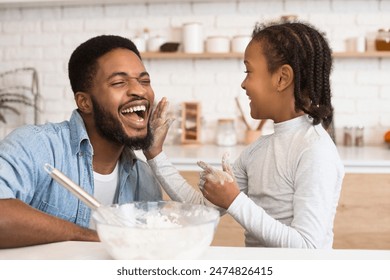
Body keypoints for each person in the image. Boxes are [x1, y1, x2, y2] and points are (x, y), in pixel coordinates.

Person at [145, 20, 345, 248]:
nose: (243, 84)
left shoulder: (315, 150)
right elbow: (198, 208)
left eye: (248, 71)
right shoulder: (257, 152)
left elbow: (308, 246)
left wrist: (234, 200)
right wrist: (155, 154)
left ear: (282, 78)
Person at [0, 35, 170, 249]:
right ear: (84, 102)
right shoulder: (36, 146)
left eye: (144, 81)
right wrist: (89, 237)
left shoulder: (144, 179)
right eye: (119, 82)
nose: (140, 90)